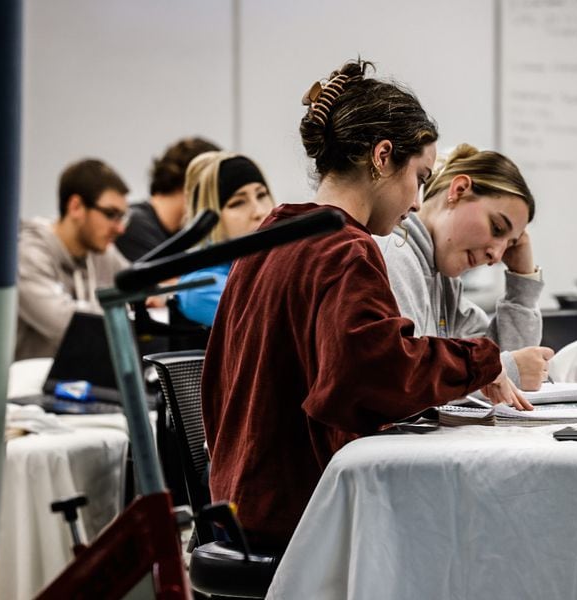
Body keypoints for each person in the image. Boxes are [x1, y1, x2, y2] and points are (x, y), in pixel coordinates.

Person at [201, 59, 530, 551]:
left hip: (240, 503)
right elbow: (370, 375)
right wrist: (479, 361)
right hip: (298, 514)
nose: (418, 203)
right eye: (419, 178)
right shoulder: (343, 248)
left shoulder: (274, 233)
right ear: (381, 157)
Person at [378, 143, 552, 390]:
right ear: (458, 190)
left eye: (509, 245)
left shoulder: (444, 281)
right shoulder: (393, 252)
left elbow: (508, 367)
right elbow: (403, 380)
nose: (496, 255)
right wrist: (505, 369)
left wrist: (522, 280)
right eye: (497, 228)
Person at [16, 159, 130, 360]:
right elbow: (69, 326)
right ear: (76, 207)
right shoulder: (28, 254)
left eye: (122, 217)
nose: (120, 229)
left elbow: (140, 289)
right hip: (25, 384)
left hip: (80, 379)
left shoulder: (101, 252)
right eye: (111, 214)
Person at [174, 151, 274, 326]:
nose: (259, 212)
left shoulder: (275, 262)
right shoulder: (200, 287)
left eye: (261, 195)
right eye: (238, 203)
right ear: (209, 219)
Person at [115, 137, 220, 261]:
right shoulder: (132, 224)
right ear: (192, 182)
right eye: (214, 187)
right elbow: (170, 279)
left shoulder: (176, 233)